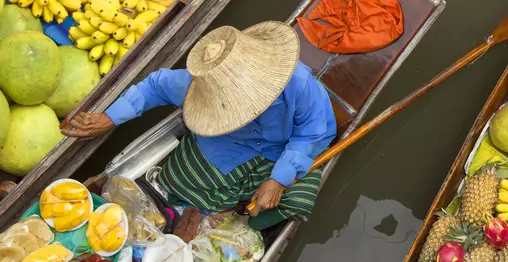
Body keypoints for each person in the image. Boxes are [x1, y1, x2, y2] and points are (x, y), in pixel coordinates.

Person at [62, 21, 337, 230]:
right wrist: (110, 118)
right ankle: (216, 211)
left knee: (299, 199)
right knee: (177, 184)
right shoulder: (200, 86)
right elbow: (154, 86)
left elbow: (313, 133)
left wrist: (278, 179)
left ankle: (244, 222)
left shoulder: (299, 85)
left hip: (282, 152)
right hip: (224, 147)